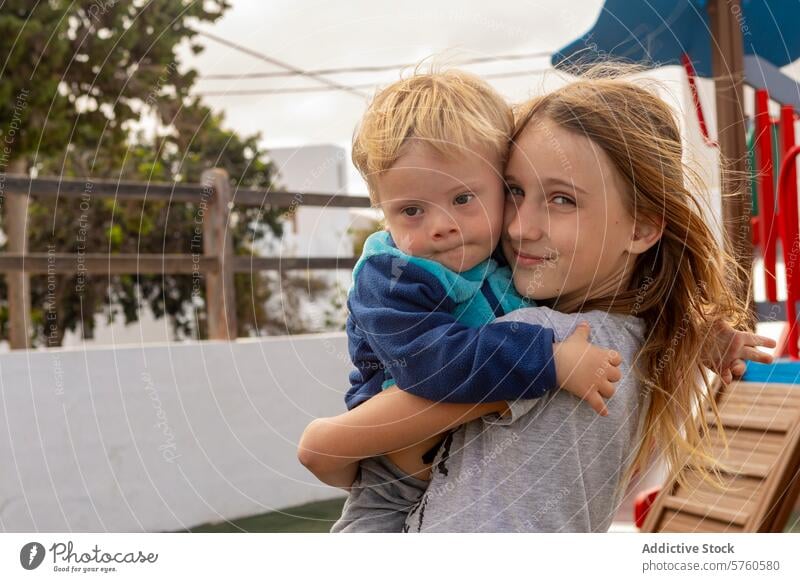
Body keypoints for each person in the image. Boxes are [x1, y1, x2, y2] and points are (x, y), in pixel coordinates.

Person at [299, 65, 776, 532]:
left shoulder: (555, 341)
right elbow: (420, 375)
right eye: (515, 191)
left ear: (643, 227)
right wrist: (695, 334)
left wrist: (699, 331)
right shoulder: (636, 341)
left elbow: (324, 449)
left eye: (562, 199)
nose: (518, 226)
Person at [299, 69, 624, 533]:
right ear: (381, 208)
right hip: (392, 485)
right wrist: (550, 361)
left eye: (463, 198)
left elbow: (603, 289)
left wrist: (707, 334)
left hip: (471, 465)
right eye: (411, 210)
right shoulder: (392, 276)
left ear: (500, 187)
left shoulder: (497, 248)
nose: (441, 225)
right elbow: (433, 365)